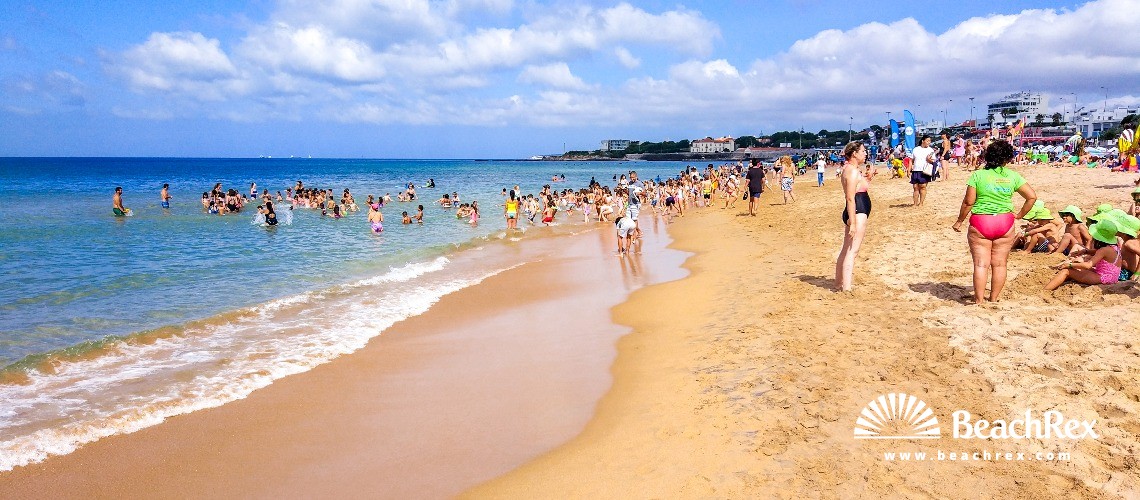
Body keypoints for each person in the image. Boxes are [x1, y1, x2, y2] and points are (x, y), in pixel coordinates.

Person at [952, 140, 1037, 304]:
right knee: (999, 264)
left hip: (981, 221)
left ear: (988, 156)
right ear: (1007, 159)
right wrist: (1019, 215)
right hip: (1004, 222)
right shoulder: (1012, 176)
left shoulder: (978, 175)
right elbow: (1031, 196)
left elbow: (969, 202)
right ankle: (994, 298)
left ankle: (978, 301)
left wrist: (959, 221)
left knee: (981, 264)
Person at [835, 142, 871, 291]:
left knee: (846, 249)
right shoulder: (852, 171)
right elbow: (850, 198)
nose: (865, 153)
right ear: (854, 153)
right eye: (863, 151)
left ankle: (839, 283)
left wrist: (868, 178)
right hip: (856, 210)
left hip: (856, 209)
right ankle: (847, 288)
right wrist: (854, 223)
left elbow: (858, 188)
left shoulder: (852, 169)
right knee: (852, 250)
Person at [1046, 220, 1122, 290]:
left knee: (1066, 271)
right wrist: (1085, 251)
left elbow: (1088, 265)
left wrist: (1069, 265)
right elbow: (1097, 252)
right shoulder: (1114, 247)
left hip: (1102, 278)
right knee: (1077, 267)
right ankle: (1059, 280)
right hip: (1112, 277)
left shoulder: (1103, 250)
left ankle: (1045, 290)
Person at [911, 135, 936, 207]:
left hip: (925, 170)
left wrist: (928, 160)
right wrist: (909, 168)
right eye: (927, 141)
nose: (929, 142)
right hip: (916, 169)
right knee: (915, 187)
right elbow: (912, 159)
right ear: (923, 141)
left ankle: (921, 203)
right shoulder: (916, 149)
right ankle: (915, 203)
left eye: (930, 141)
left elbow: (933, 161)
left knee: (923, 186)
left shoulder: (930, 150)